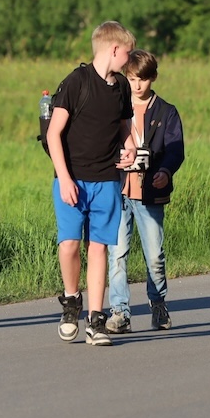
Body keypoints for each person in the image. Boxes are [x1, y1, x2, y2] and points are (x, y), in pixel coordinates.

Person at [46, 21, 137, 346]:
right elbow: (53, 134)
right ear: (114, 49)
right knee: (69, 245)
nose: (129, 59)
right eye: (128, 53)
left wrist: (130, 148)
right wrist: (65, 178)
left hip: (107, 180)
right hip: (72, 179)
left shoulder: (122, 86)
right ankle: (72, 300)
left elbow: (124, 125)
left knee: (98, 247)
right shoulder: (77, 81)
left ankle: (96, 319)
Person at [106, 50, 185, 333]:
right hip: (117, 190)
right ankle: (119, 312)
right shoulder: (115, 107)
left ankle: (158, 303)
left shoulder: (166, 111)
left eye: (142, 79)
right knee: (117, 253)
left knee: (154, 255)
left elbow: (175, 150)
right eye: (131, 79)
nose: (137, 85)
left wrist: (165, 171)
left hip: (150, 193)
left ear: (153, 78)